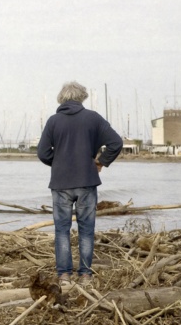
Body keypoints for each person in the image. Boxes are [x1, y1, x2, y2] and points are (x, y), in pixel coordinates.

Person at [36, 81, 124, 285]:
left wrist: (57, 163)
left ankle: (64, 276)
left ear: (62, 98)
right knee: (86, 229)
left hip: (61, 184)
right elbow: (116, 143)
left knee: (62, 230)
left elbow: (42, 153)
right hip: (87, 181)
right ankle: (85, 275)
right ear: (82, 97)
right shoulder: (93, 118)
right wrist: (101, 161)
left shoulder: (53, 121)